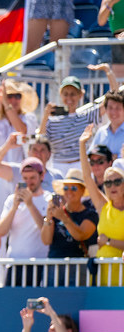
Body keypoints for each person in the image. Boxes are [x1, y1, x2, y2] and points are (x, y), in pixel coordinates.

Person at [0, 79, 40, 214]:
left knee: (20, 214)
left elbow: (23, 130)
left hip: (21, 175)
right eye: (9, 96)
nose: (13, 100)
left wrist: (7, 107)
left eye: (17, 96)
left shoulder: (29, 117)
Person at [80, 126, 124, 286]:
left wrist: (108, 241)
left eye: (117, 181)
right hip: (102, 274)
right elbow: (87, 177)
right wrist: (82, 145)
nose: (112, 186)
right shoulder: (104, 206)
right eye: (108, 182)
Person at [0, 157, 52, 285]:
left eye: (32, 178)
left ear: (42, 176)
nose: (28, 182)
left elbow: (45, 231)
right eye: (25, 178)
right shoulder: (12, 200)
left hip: (39, 265)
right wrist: (15, 207)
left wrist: (30, 204)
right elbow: (0, 231)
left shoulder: (48, 199)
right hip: (14, 265)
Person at [42, 169, 98, 286]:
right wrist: (48, 217)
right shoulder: (57, 212)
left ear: (83, 191)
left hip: (78, 266)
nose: (69, 192)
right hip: (54, 265)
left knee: (76, 303)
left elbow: (81, 235)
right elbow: (46, 240)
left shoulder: (90, 214)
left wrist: (64, 218)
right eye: (66, 188)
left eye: (74, 188)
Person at [40, 76, 100, 174]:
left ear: (80, 95)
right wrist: (45, 116)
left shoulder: (86, 116)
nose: (69, 98)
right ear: (61, 94)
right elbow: (41, 136)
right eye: (65, 94)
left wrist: (108, 72)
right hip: (58, 165)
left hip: (79, 165)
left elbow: (113, 99)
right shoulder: (51, 120)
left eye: (73, 94)